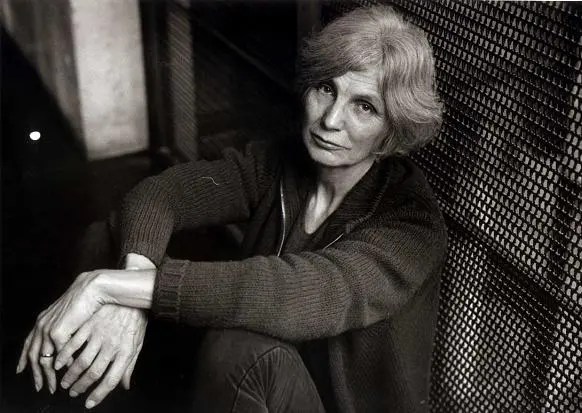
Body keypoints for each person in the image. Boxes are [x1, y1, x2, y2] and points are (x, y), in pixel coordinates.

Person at [17, 5, 447, 412]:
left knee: (241, 349)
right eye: (326, 89)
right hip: (266, 382)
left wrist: (110, 287)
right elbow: (162, 194)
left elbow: (293, 293)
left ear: (392, 131)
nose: (331, 120)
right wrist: (127, 286)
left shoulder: (411, 224)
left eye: (364, 107)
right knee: (107, 242)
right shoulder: (284, 162)